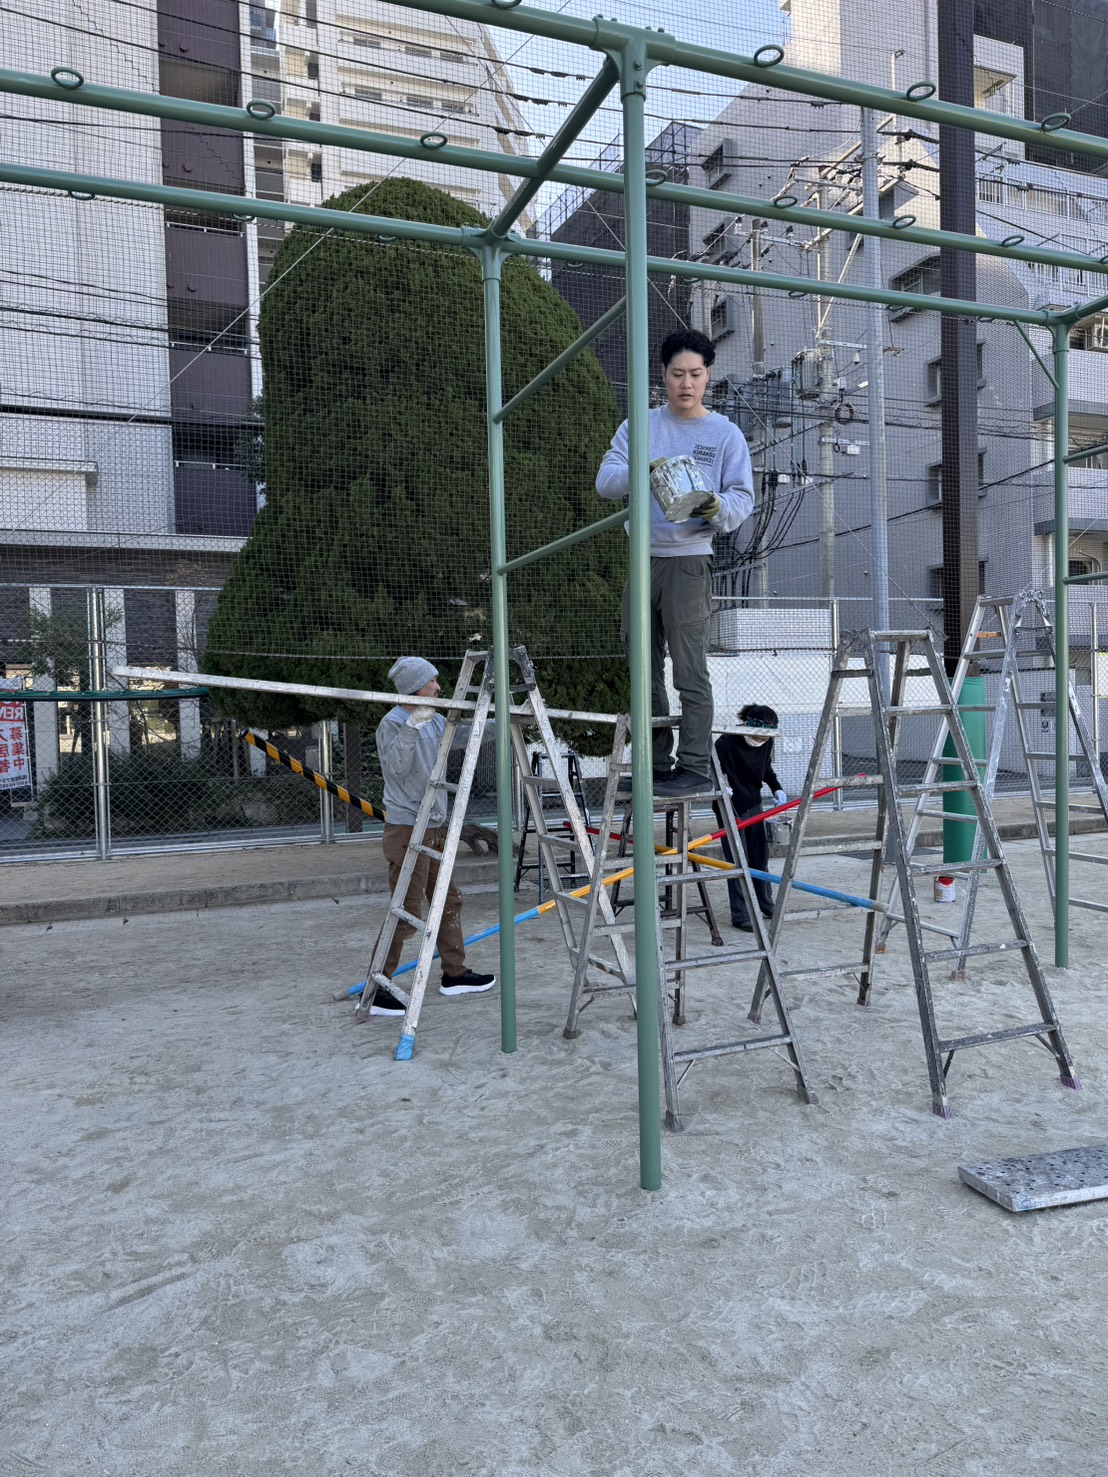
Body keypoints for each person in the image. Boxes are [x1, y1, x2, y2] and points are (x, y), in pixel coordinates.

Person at [596, 328, 755, 797]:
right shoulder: (639, 425)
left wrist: (714, 507)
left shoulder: (725, 433)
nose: (687, 384)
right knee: (642, 670)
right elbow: (606, 481)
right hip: (641, 558)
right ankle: (654, 764)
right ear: (663, 375)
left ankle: (694, 767)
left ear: (708, 376)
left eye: (696, 374)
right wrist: (642, 469)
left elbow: (742, 498)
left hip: (688, 561)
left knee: (690, 671)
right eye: (678, 374)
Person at [366, 655, 496, 1017]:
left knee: (448, 901)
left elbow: (466, 736)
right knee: (406, 910)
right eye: (432, 682)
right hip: (408, 829)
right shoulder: (393, 723)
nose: (439, 687)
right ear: (414, 689)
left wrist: (503, 720)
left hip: (435, 827)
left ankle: (454, 974)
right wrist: (412, 725)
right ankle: (378, 988)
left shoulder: (436, 719)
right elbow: (396, 768)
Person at [715, 704, 787, 932]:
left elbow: (766, 769)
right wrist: (720, 787)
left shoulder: (768, 741)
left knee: (759, 857)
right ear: (748, 726)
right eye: (758, 736)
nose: (761, 741)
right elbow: (712, 771)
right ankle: (741, 914)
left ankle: (765, 904)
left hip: (754, 804)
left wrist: (776, 787)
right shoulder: (726, 743)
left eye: (766, 738)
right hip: (729, 806)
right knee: (738, 861)